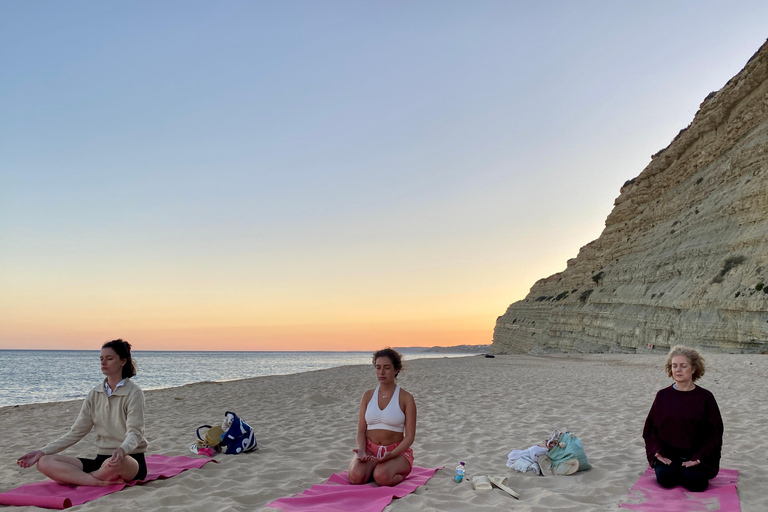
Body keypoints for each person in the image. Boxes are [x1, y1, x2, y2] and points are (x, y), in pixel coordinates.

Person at [17, 339, 148, 486]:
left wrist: (122, 450)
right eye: (101, 359)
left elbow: (135, 433)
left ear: (123, 361)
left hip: (128, 460)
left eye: (109, 358)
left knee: (118, 463)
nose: (103, 363)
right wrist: (42, 451)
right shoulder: (95, 393)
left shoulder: (134, 392)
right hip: (101, 461)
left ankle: (86, 478)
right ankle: (98, 481)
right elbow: (77, 432)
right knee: (44, 462)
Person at [642, 345, 723, 492]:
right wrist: (657, 452)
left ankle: (690, 470)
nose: (678, 370)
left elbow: (715, 433)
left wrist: (699, 458)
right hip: (668, 455)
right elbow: (650, 430)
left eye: (683, 366)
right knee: (667, 480)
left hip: (695, 455)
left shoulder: (705, 397)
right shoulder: (662, 396)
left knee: (696, 483)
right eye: (674, 366)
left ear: (693, 369)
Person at [348, 348, 417, 486]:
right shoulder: (367, 396)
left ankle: (387, 470)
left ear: (396, 369)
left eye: (387, 368)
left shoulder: (406, 398)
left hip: (396, 452)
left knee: (382, 477)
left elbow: (410, 437)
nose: (382, 372)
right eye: (378, 367)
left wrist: (391, 455)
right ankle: (373, 467)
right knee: (356, 477)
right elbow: (361, 430)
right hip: (369, 451)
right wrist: (361, 450)